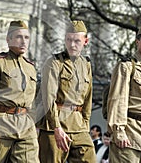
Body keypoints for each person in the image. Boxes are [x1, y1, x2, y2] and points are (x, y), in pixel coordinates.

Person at [0, 20, 39, 163]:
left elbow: (32, 100)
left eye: (26, 37)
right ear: (8, 39)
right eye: (18, 37)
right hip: (0, 126)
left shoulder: (30, 67)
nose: (23, 41)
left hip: (25, 127)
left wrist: (33, 123)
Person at [37, 20, 96, 162]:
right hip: (55, 126)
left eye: (77, 41)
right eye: (68, 40)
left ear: (85, 41)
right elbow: (48, 98)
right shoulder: (54, 62)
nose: (72, 44)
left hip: (79, 126)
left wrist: (85, 124)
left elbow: (88, 97)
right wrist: (56, 127)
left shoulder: (86, 64)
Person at [107, 23, 141, 162]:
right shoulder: (127, 66)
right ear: (137, 42)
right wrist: (118, 131)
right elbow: (117, 100)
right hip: (131, 135)